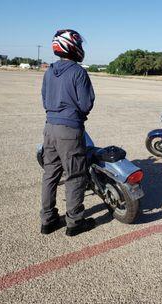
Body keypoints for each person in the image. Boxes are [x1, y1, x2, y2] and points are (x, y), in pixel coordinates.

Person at [40, 29, 96, 236]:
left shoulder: (49, 71)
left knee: (50, 174)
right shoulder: (78, 72)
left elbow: (45, 100)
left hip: (49, 128)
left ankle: (48, 220)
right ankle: (75, 222)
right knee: (75, 175)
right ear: (72, 46)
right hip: (69, 130)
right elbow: (86, 103)